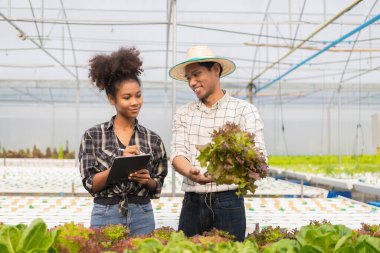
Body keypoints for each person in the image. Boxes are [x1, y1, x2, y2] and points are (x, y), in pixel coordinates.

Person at [169, 45, 268, 241]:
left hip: (229, 202)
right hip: (192, 203)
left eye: (196, 74)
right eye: (188, 78)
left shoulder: (244, 110)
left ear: (216, 69)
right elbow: (177, 152)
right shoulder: (183, 113)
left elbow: (259, 157)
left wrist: (224, 173)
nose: (192, 82)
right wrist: (190, 172)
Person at [79, 47, 168, 235]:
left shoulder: (153, 139)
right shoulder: (93, 136)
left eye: (138, 95)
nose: (135, 102)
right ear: (112, 99)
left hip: (142, 212)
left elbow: (157, 186)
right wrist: (118, 167)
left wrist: (147, 180)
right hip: (106, 213)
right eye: (127, 97)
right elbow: (90, 184)